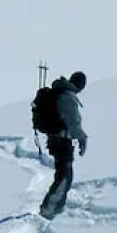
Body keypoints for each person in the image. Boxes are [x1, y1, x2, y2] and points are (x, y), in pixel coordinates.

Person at [39, 71, 88, 219]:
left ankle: (57, 207)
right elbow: (73, 121)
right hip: (61, 141)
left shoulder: (61, 92)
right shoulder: (68, 96)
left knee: (64, 175)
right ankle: (49, 209)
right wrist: (82, 138)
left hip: (56, 139)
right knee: (64, 176)